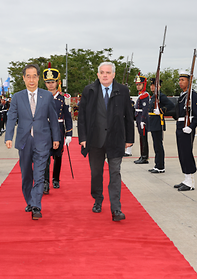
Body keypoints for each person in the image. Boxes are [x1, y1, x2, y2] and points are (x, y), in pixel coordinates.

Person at [78, 61, 134, 221]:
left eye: (108, 72)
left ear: (113, 74)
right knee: (96, 173)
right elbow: (82, 117)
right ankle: (98, 199)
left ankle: (116, 209)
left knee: (115, 173)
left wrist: (129, 139)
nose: (105, 75)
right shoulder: (89, 90)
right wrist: (82, 138)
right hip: (94, 140)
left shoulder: (123, 91)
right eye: (102, 72)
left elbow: (129, 117)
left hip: (116, 139)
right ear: (97, 74)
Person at [5, 64, 60, 220]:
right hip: (24, 141)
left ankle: (36, 205)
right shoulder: (17, 97)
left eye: (34, 76)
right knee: (26, 174)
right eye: (28, 76)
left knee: (40, 173)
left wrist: (56, 138)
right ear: (23, 78)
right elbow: (11, 118)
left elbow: (54, 119)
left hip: (43, 140)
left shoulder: (47, 96)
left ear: (38, 78)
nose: (31, 79)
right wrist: (8, 137)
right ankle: (29, 200)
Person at [43, 65, 73, 194]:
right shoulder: (40, 97)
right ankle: (45, 182)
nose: (50, 85)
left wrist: (69, 133)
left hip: (59, 129)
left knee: (58, 156)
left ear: (57, 82)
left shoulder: (63, 98)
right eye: (48, 82)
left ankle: (56, 178)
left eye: (53, 82)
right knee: (44, 156)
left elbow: (68, 117)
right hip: (44, 129)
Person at [173, 70, 197, 191]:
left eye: (183, 80)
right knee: (182, 154)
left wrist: (191, 127)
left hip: (187, 127)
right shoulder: (183, 95)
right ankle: (186, 178)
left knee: (187, 153)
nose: (180, 82)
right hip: (180, 126)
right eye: (179, 80)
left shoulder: (193, 95)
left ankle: (190, 181)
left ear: (189, 82)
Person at [147, 78, 174, 173]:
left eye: (154, 85)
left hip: (158, 123)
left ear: (159, 86)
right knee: (155, 145)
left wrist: (161, 111)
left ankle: (160, 166)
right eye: (151, 85)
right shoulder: (154, 96)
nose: (152, 87)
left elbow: (171, 105)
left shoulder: (161, 96)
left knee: (158, 145)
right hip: (153, 123)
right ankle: (157, 164)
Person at [133, 73, 150, 164]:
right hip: (138, 117)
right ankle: (142, 155)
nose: (138, 86)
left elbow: (145, 109)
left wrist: (143, 120)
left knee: (143, 138)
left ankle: (144, 157)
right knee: (141, 137)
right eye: (137, 85)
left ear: (144, 85)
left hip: (142, 118)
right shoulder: (140, 94)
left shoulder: (145, 95)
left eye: (140, 84)